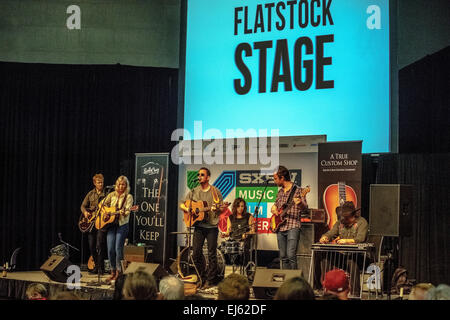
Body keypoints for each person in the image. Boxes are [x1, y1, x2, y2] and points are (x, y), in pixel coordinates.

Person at [180, 167, 226, 289]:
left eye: (202, 174)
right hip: (198, 226)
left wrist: (217, 208)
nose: (199, 176)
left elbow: (222, 208)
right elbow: (182, 204)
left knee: (211, 254)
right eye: (198, 174)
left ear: (208, 177)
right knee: (195, 254)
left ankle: (210, 280)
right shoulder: (194, 191)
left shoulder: (215, 192)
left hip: (211, 226)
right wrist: (187, 209)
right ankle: (201, 277)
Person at [318, 201, 369, 296]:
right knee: (326, 258)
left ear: (353, 216)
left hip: (360, 256)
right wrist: (325, 237)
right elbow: (331, 233)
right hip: (343, 256)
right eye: (343, 216)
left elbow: (360, 239)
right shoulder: (340, 223)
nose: (344, 219)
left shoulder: (362, 222)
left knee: (351, 260)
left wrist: (346, 241)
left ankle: (355, 293)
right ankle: (327, 289)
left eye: (347, 217)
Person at [270, 166, 308, 269]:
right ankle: (285, 280)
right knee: (283, 256)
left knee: (291, 255)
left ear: (282, 178)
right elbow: (276, 206)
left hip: (293, 225)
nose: (275, 181)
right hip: (280, 227)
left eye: (275, 178)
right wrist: (273, 208)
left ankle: (294, 280)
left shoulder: (299, 190)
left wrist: (299, 203)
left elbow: (305, 208)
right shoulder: (280, 192)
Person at [103, 175, 134, 283]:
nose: (121, 186)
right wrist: (106, 212)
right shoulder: (111, 195)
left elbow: (127, 212)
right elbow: (102, 206)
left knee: (118, 249)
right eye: (119, 184)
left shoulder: (128, 197)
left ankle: (119, 273)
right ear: (116, 185)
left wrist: (123, 212)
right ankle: (112, 271)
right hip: (111, 225)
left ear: (126, 186)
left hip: (122, 225)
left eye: (123, 184)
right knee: (110, 249)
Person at [80, 173, 106, 274]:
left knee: (99, 245)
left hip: (101, 222)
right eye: (99, 182)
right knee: (91, 245)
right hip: (91, 223)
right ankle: (96, 266)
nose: (101, 184)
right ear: (94, 183)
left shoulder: (106, 194)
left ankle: (101, 268)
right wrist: (85, 212)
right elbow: (82, 206)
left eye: (102, 182)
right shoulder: (90, 194)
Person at [221, 198, 255, 268]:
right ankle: (228, 268)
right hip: (234, 240)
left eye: (242, 206)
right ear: (235, 207)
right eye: (238, 206)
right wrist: (225, 234)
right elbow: (228, 231)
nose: (240, 208)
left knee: (245, 247)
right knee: (223, 248)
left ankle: (246, 268)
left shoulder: (249, 216)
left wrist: (246, 234)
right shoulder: (230, 217)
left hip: (244, 240)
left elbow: (252, 231)